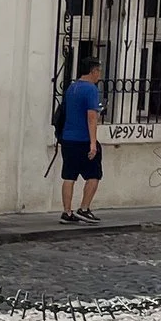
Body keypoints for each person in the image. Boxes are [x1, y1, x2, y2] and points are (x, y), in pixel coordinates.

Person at [56, 60, 105, 221]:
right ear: (93, 71)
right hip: (83, 139)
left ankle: (67, 212)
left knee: (69, 176)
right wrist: (93, 142)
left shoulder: (72, 88)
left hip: (68, 138)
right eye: (98, 71)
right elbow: (91, 117)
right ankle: (84, 208)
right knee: (94, 175)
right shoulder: (91, 89)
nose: (99, 74)